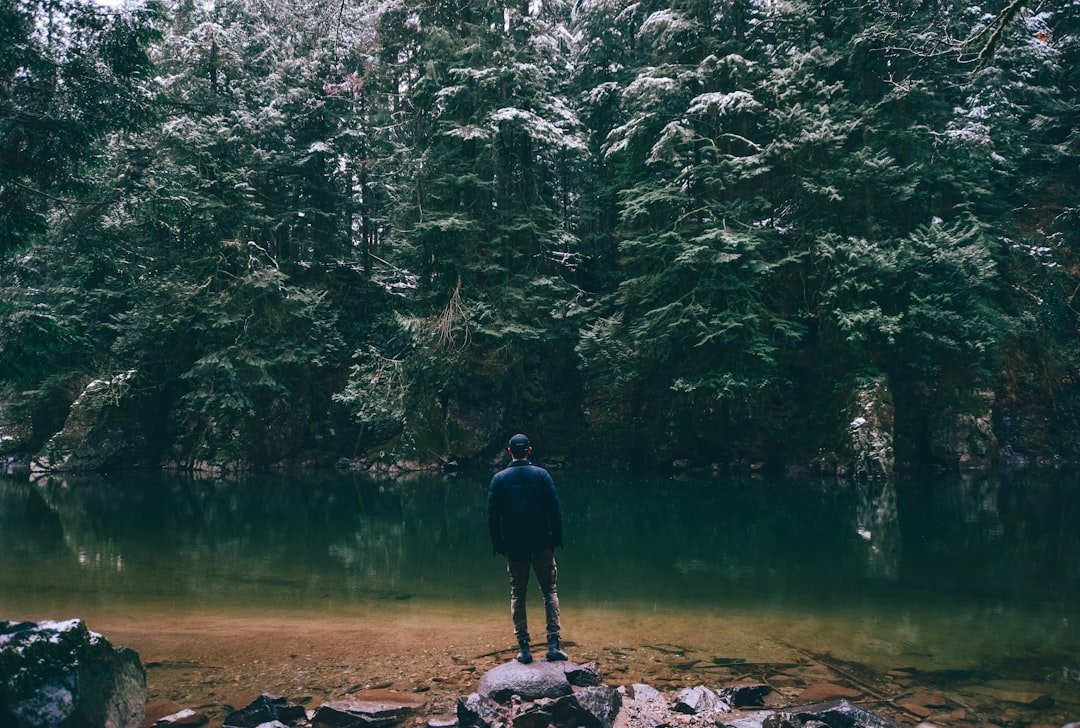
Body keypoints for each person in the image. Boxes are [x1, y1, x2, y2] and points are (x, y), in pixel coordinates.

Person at [487, 433, 568, 664]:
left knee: (518, 595)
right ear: (529, 451)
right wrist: (555, 541)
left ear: (509, 451)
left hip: (515, 548)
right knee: (549, 592)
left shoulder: (499, 480)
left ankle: (524, 649)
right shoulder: (542, 476)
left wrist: (499, 546)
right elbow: (555, 512)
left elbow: (493, 519)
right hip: (542, 544)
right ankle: (553, 645)